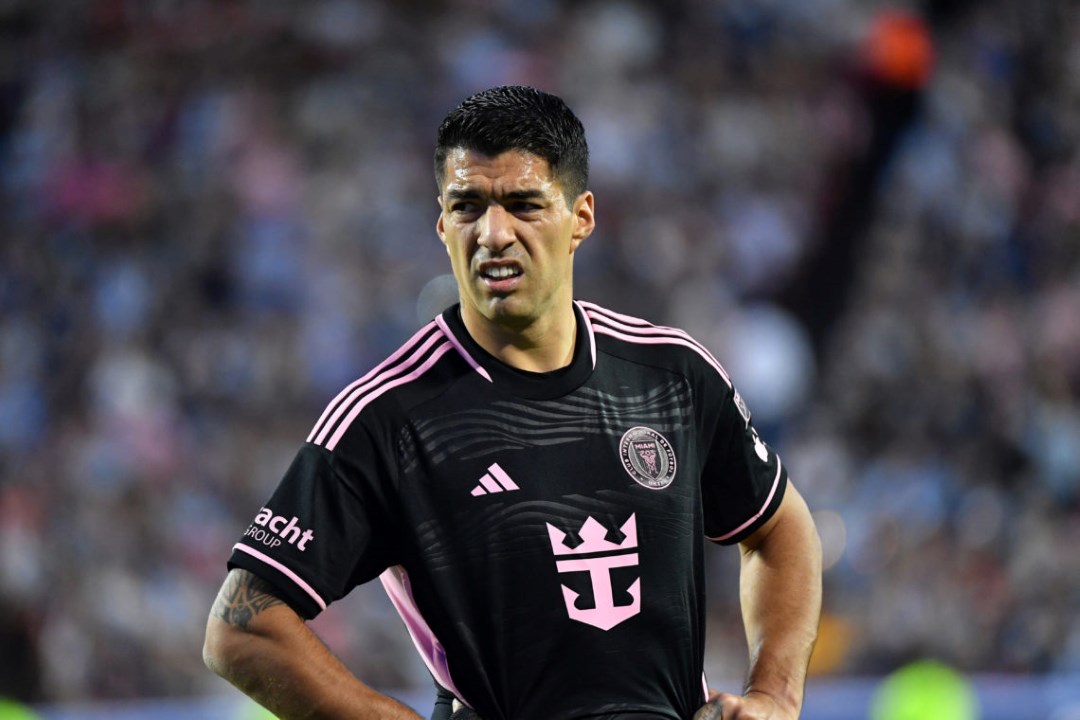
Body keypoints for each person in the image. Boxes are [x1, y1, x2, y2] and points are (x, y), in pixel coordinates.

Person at [203, 85, 822, 720]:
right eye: (468, 207)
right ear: (442, 223)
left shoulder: (671, 374)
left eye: (523, 204)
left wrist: (774, 695)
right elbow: (243, 625)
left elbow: (779, 526)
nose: (494, 233)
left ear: (581, 216)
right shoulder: (390, 417)